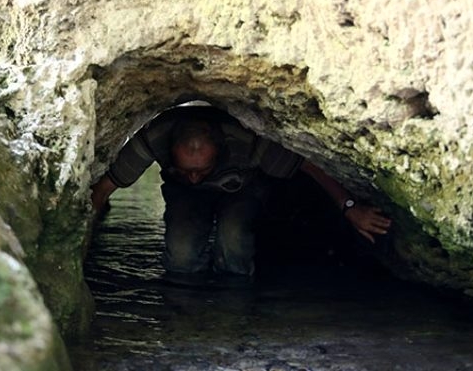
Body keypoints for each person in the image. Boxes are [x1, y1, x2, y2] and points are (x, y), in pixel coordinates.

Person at [91, 105, 391, 283]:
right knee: (182, 257)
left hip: (243, 188)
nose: (195, 176)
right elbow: (103, 189)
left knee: (233, 238)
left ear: (219, 151)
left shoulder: (247, 140)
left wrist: (349, 207)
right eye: (186, 169)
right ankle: (185, 313)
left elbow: (310, 165)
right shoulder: (154, 137)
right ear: (171, 152)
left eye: (201, 169)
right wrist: (82, 239)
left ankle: (232, 309)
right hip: (185, 196)